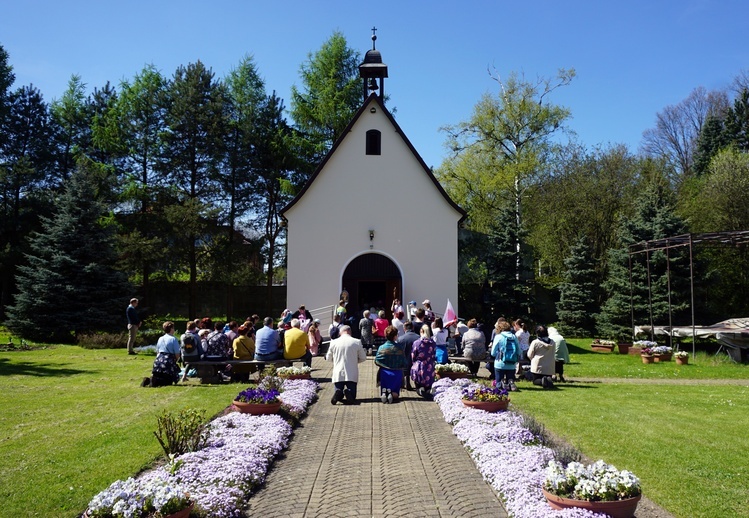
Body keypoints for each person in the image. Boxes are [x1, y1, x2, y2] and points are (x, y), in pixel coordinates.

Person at [326, 325, 367, 404]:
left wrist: (335, 361)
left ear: (340, 332)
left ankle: (339, 393)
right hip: (351, 372)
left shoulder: (333, 342)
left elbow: (328, 358)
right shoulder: (357, 342)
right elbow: (363, 357)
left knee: (339, 392)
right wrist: (354, 361)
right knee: (353, 396)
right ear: (350, 332)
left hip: (338, 371)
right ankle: (348, 392)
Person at [374, 326, 406, 403]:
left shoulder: (382, 347)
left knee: (384, 386)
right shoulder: (400, 348)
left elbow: (377, 360)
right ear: (395, 336)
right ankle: (391, 393)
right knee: (396, 394)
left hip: (384, 373)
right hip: (396, 373)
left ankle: (385, 392)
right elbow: (404, 362)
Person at [146, 321, 181, 387]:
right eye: (173, 328)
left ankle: (152, 380)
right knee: (167, 380)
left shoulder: (160, 338)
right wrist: (175, 361)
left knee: (160, 375)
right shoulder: (173, 339)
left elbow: (157, 351)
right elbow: (177, 354)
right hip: (168, 361)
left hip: (158, 360)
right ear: (171, 329)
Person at [490, 320, 519, 391]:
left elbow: (493, 353)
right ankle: (510, 382)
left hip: (500, 363)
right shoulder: (514, 337)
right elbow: (518, 351)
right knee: (510, 376)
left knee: (498, 382)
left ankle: (500, 383)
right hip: (512, 363)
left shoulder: (498, 337)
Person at [410, 324, 436, 398]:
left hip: (419, 365)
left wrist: (414, 363)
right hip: (430, 366)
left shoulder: (417, 343)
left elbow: (413, 355)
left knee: (418, 383)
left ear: (421, 331)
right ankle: (427, 391)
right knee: (428, 384)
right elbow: (434, 354)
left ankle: (420, 390)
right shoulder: (433, 343)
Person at [397, 320, 420, 390]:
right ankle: (417, 384)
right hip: (416, 363)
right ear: (413, 327)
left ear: (404, 329)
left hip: (405, 363)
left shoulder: (400, 339)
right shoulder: (419, 338)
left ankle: (406, 381)